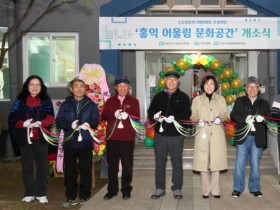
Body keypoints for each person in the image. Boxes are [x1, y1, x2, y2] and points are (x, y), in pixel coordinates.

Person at [8, 75, 55, 204]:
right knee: (27, 166)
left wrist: (42, 123)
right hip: (25, 138)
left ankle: (41, 193)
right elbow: (12, 118)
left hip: (41, 138)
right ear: (27, 86)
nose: (35, 87)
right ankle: (29, 193)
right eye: (32, 84)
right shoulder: (20, 100)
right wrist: (23, 123)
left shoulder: (46, 101)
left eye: (38, 85)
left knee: (42, 166)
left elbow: (51, 117)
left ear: (41, 87)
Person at [56, 78, 100, 208]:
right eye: (76, 86)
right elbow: (59, 121)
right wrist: (70, 124)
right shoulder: (65, 105)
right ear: (71, 89)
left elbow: (95, 119)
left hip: (85, 141)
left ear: (85, 89)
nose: (79, 89)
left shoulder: (91, 104)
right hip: (69, 141)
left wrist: (88, 124)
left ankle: (85, 196)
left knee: (85, 170)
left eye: (82, 86)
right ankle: (71, 197)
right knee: (70, 171)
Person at [148, 70, 191, 199]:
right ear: (165, 81)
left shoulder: (183, 97)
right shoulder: (158, 96)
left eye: (174, 80)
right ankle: (160, 188)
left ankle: (177, 188)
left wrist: (175, 117)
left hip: (176, 136)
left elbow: (187, 114)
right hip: (160, 135)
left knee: (177, 163)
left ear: (178, 81)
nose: (171, 82)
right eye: (169, 80)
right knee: (159, 162)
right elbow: (151, 112)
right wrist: (155, 116)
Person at [230, 76, 271, 198]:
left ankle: (255, 188)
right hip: (243, 136)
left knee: (255, 163)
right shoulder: (239, 101)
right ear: (246, 89)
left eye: (254, 87)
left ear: (258, 89)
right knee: (240, 163)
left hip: (257, 138)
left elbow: (269, 120)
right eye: (249, 87)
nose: (252, 89)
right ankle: (237, 188)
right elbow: (233, 115)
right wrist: (244, 119)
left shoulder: (264, 103)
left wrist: (263, 119)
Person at [101, 76, 140, 200]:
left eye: (125, 86)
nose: (123, 88)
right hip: (112, 137)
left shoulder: (134, 101)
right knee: (112, 165)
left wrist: (128, 115)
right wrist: (113, 114)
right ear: (116, 88)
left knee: (127, 165)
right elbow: (103, 116)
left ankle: (126, 189)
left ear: (129, 87)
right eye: (120, 86)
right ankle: (112, 190)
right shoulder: (110, 101)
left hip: (127, 138)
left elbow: (137, 118)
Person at [191, 75, 229, 199]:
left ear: (215, 86)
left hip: (217, 132)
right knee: (202, 161)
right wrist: (198, 120)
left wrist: (220, 118)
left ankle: (216, 189)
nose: (209, 86)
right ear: (203, 86)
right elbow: (193, 116)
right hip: (202, 132)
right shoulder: (197, 100)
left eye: (212, 84)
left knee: (216, 161)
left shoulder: (221, 99)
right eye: (206, 84)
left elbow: (225, 115)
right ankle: (206, 190)